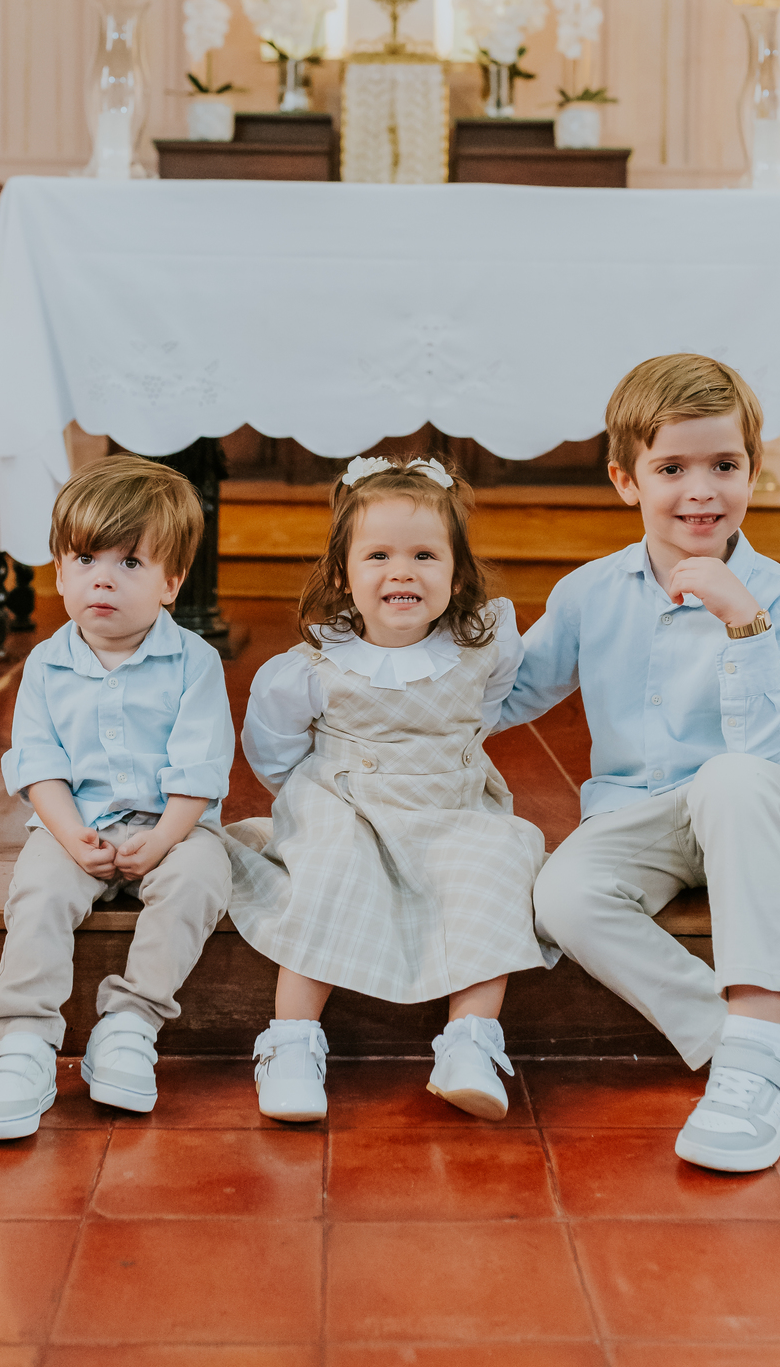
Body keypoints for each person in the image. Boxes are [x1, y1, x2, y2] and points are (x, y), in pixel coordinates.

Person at [499, 355, 780, 1173]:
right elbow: (511, 695)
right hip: (638, 815)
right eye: (672, 468)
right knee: (560, 894)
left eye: (725, 465)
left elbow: (770, 752)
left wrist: (740, 620)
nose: (702, 490)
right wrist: (408, 676)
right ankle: (774, 1041)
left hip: (753, 807)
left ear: (753, 471)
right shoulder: (589, 593)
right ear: (626, 481)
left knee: (732, 776)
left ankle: (750, 1065)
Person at [226, 455, 556, 1123]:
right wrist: (313, 798)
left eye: (425, 555)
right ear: (344, 577)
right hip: (347, 803)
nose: (401, 571)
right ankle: (292, 1041)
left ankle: (469, 1040)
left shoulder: (484, 646)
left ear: (456, 574)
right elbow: (273, 747)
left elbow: (484, 707)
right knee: (332, 868)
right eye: (377, 555)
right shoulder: (313, 669)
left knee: (495, 867)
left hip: (452, 806)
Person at [0, 456, 234, 1140]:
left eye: (131, 563)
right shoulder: (47, 665)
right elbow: (39, 763)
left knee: (201, 879)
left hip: (170, 825)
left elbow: (198, 767)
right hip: (76, 825)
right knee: (38, 893)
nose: (103, 578)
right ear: (59, 572)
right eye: (85, 558)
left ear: (172, 583)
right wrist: (68, 835)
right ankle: (23, 1043)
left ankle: (131, 1023)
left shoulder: (194, 662)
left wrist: (167, 837)